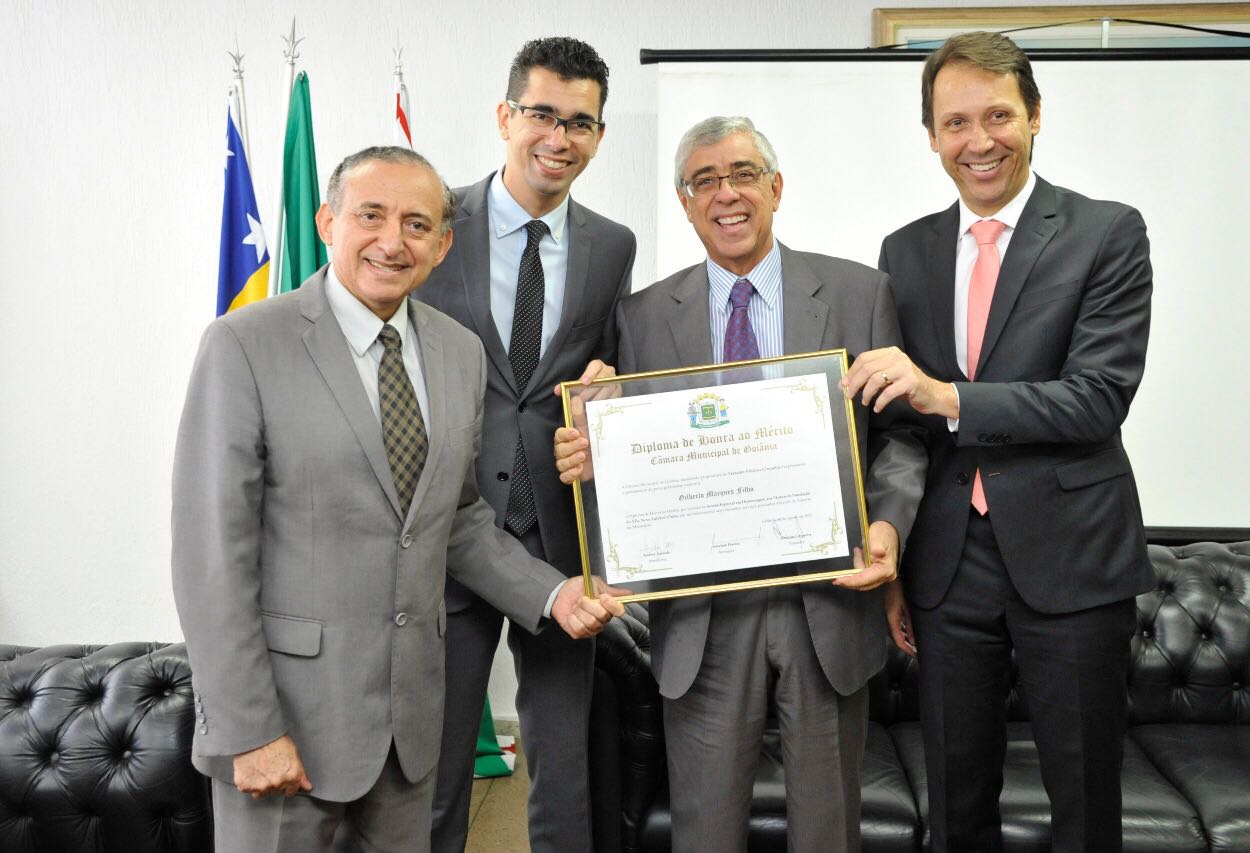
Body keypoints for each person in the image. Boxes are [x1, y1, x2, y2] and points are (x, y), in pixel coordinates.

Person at [171, 146, 622, 853]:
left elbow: (458, 519)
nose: (392, 241)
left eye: (417, 224)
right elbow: (210, 559)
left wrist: (551, 593)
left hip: (410, 733)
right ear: (327, 221)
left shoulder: (458, 352)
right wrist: (247, 728)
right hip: (286, 729)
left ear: (443, 246)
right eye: (371, 215)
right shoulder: (245, 344)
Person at [556, 116, 926, 853]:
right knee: (705, 826)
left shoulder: (859, 293)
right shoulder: (642, 317)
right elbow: (637, 456)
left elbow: (901, 439)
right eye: (704, 181)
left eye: (743, 174)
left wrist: (886, 526)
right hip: (703, 615)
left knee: (829, 829)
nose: (726, 194)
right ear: (685, 202)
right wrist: (598, 456)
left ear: (776, 188)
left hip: (828, 601)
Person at [843, 31, 1154, 853]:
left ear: (1035, 116)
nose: (978, 142)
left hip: (1074, 558)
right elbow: (905, 428)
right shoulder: (902, 253)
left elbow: (1097, 398)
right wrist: (897, 550)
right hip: (947, 566)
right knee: (955, 805)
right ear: (932, 134)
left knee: (1085, 808)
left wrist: (947, 394)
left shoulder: (1106, 233)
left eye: (998, 116)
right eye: (955, 123)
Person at [411, 36, 635, 853]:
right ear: (506, 117)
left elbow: (606, 370)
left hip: (558, 540)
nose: (559, 136)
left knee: (563, 767)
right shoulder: (434, 224)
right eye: (542, 113)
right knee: (433, 770)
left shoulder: (614, 245)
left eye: (580, 122)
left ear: (599, 136)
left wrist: (611, 401)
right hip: (445, 535)